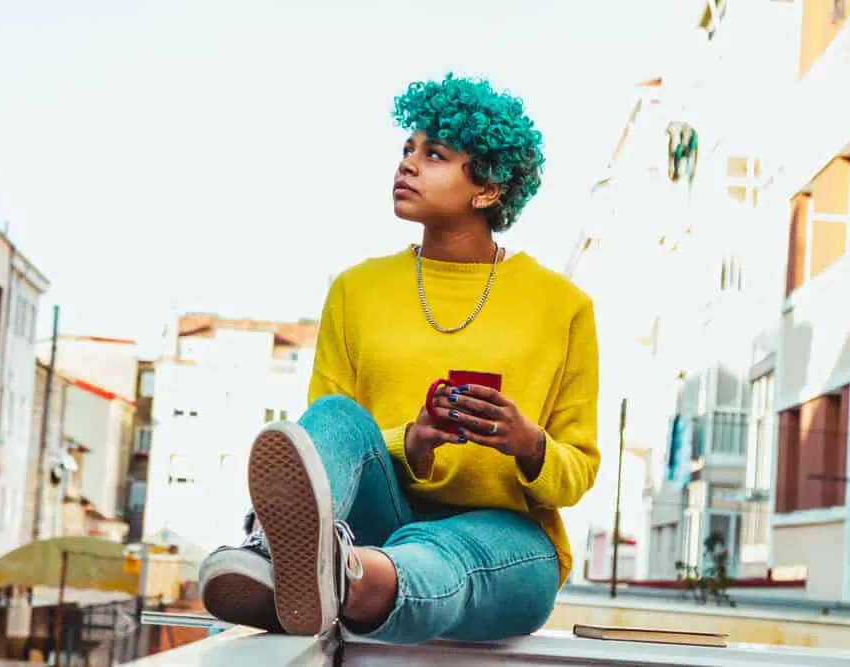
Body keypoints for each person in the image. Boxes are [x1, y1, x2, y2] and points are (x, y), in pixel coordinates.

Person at [197, 73, 600, 645]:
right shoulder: (356, 290)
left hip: (507, 540)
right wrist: (409, 440)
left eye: (433, 154)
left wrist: (527, 442)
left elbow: (578, 470)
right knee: (335, 415)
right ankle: (274, 556)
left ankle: (340, 580)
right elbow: (327, 449)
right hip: (374, 521)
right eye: (406, 150)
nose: (407, 165)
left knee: (440, 558)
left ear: (488, 187)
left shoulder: (563, 306)